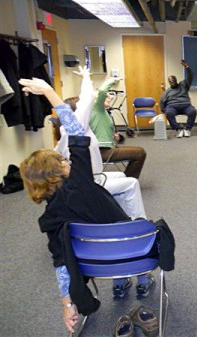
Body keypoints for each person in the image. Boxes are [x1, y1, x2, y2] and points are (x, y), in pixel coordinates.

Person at [18, 78, 155, 334]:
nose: (67, 160)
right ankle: (142, 278)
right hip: (134, 249)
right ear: (60, 169)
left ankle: (119, 282)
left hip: (93, 262)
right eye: (63, 160)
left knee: (103, 239)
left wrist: (66, 304)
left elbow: (61, 264)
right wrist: (49, 92)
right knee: (138, 228)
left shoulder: (49, 219)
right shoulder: (80, 182)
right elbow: (75, 130)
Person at [54, 66, 146, 219]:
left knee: (122, 178)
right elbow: (87, 98)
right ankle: (139, 222)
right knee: (131, 183)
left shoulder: (66, 133)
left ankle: (117, 214)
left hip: (87, 178)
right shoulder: (77, 129)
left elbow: (85, 101)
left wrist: (85, 78)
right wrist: (86, 78)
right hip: (89, 183)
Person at [90, 78, 146, 179]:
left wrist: (116, 138)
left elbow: (102, 132)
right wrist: (113, 80)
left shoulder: (102, 113)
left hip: (108, 147)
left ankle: (128, 180)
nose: (109, 98)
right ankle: (129, 180)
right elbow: (102, 91)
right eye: (106, 97)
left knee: (139, 152)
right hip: (102, 152)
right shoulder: (97, 109)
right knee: (140, 153)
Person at [160, 59, 197, 138]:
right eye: (170, 81)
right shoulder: (167, 91)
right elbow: (162, 100)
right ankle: (179, 129)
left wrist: (187, 67)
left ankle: (187, 129)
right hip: (172, 107)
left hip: (186, 105)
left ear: (176, 80)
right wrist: (164, 110)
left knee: (193, 111)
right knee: (169, 113)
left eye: (173, 80)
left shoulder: (183, 85)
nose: (172, 82)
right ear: (168, 82)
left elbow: (190, 77)